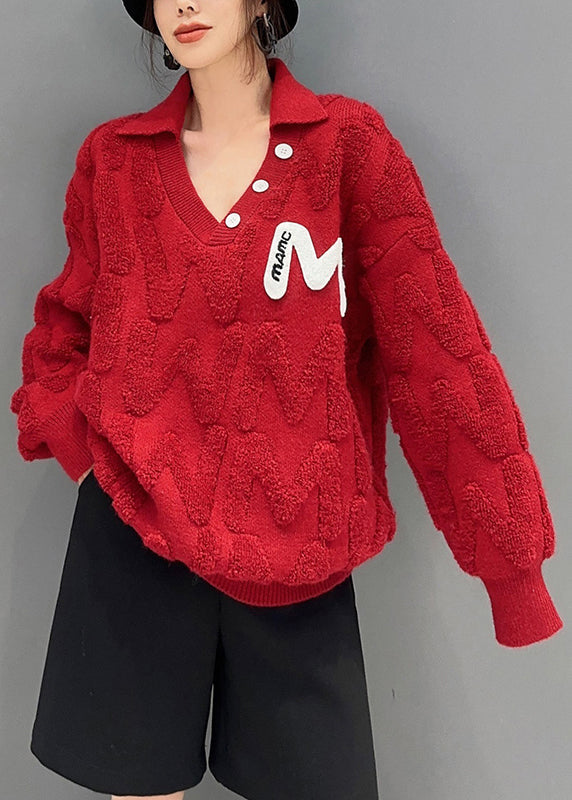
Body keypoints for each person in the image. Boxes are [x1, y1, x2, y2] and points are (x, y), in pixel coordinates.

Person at [9, 0, 563, 798]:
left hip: (299, 556)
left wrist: (512, 569)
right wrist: (86, 451)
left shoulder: (347, 148)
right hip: (131, 543)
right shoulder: (116, 161)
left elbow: (439, 359)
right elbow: (62, 327)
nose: (185, 3)